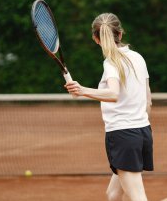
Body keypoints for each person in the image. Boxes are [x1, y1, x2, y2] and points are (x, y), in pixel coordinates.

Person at [65, 13, 153, 201]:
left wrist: (82, 90)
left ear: (95, 39)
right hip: (142, 133)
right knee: (113, 194)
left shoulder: (111, 62)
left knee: (138, 197)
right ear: (120, 34)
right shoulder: (138, 57)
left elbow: (113, 94)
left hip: (123, 135)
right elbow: (148, 100)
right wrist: (141, 126)